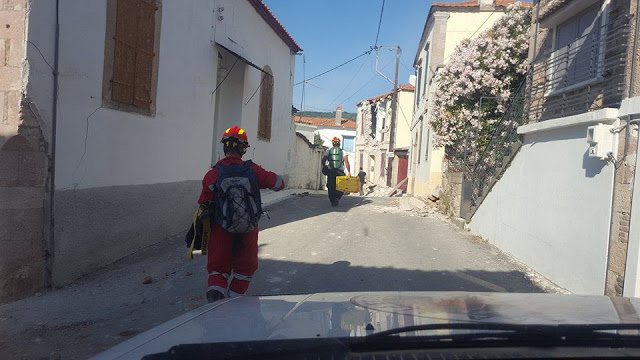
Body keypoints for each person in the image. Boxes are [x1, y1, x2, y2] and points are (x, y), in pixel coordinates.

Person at [198, 126, 285, 302]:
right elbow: (279, 185)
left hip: (220, 229)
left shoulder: (212, 174)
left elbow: (203, 204)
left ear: (224, 147)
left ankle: (215, 300)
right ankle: (237, 300)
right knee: (246, 267)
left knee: (218, 267)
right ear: (243, 148)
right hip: (248, 229)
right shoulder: (253, 170)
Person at [322, 137, 351, 206]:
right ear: (339, 143)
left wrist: (324, 166)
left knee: (330, 186)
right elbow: (346, 162)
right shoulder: (343, 152)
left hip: (330, 171)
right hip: (340, 171)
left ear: (333, 143)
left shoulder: (328, 151)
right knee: (341, 186)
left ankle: (332, 200)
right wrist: (349, 172)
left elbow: (323, 160)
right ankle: (337, 198)